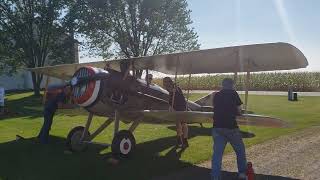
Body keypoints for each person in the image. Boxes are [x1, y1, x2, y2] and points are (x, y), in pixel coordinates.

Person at [211, 78, 247, 180]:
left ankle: (215, 177)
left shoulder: (217, 95)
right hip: (231, 127)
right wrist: (239, 113)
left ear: (223, 85)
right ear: (232, 85)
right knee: (240, 151)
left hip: (217, 127)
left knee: (217, 155)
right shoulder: (234, 93)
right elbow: (239, 110)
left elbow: (214, 107)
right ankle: (242, 174)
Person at [163, 77, 189, 148]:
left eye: (165, 82)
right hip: (178, 107)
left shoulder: (175, 88)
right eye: (164, 82)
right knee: (180, 124)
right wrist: (170, 106)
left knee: (181, 124)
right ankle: (182, 140)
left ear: (169, 82)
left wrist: (172, 107)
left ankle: (182, 140)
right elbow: (171, 99)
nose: (164, 83)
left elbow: (176, 97)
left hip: (180, 108)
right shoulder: (172, 88)